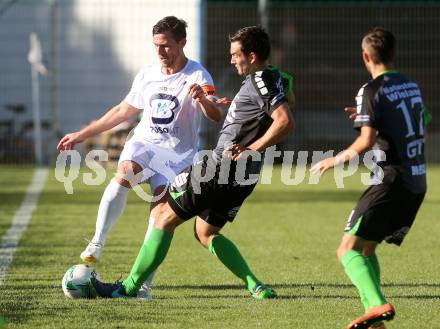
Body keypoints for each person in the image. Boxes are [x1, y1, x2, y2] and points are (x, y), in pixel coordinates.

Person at [89, 26, 295, 299]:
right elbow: (287, 93)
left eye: (236, 55)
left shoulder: (260, 80)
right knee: (205, 232)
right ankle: (256, 286)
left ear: (253, 55)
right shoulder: (275, 77)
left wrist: (252, 147)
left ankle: (128, 288)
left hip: (224, 165)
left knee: (162, 218)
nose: (232, 60)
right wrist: (240, 105)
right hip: (246, 177)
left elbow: (285, 121)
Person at [57, 16, 222, 299]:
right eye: (156, 45)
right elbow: (122, 111)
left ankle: (143, 285)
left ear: (182, 43)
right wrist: (83, 134)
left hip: (177, 155)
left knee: (159, 216)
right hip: (144, 143)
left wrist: (203, 100)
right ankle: (97, 243)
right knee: (125, 173)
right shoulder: (147, 74)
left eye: (167, 46)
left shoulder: (198, 75)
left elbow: (216, 114)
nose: (160, 51)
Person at [311, 28, 428, 329]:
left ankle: (376, 306)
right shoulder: (411, 84)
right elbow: (420, 120)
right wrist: (371, 117)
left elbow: (364, 143)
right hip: (417, 180)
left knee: (346, 249)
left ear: (365, 56)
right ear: (393, 53)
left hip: (390, 179)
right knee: (367, 248)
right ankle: (376, 322)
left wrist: (334, 160)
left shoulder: (371, 90)